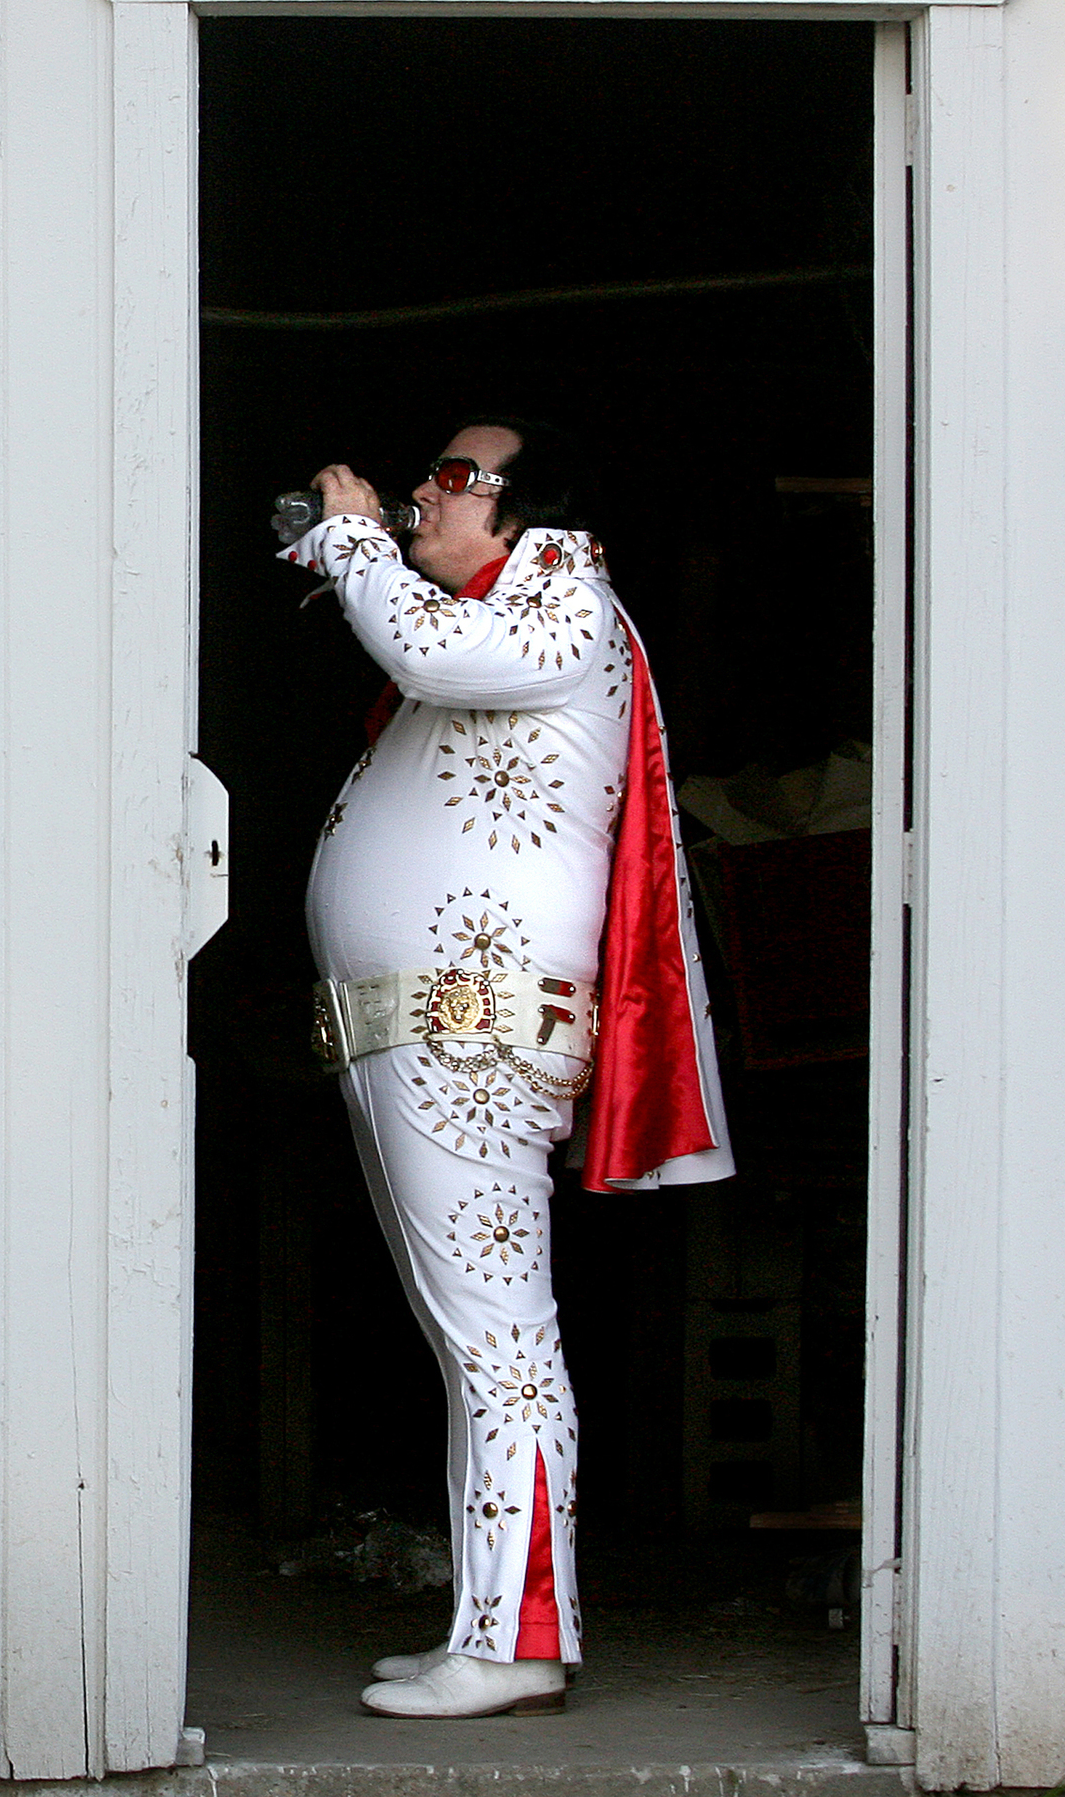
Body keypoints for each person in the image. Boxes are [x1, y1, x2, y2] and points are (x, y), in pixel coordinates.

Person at [283, 419, 734, 1719]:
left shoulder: (561, 597)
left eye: (456, 476)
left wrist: (357, 535)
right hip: (424, 1024)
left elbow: (421, 643)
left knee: (501, 1342)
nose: (427, 488)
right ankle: (491, 1623)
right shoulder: (505, 611)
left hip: (473, 1028)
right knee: (474, 1340)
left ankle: (521, 1636)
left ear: (535, 515)